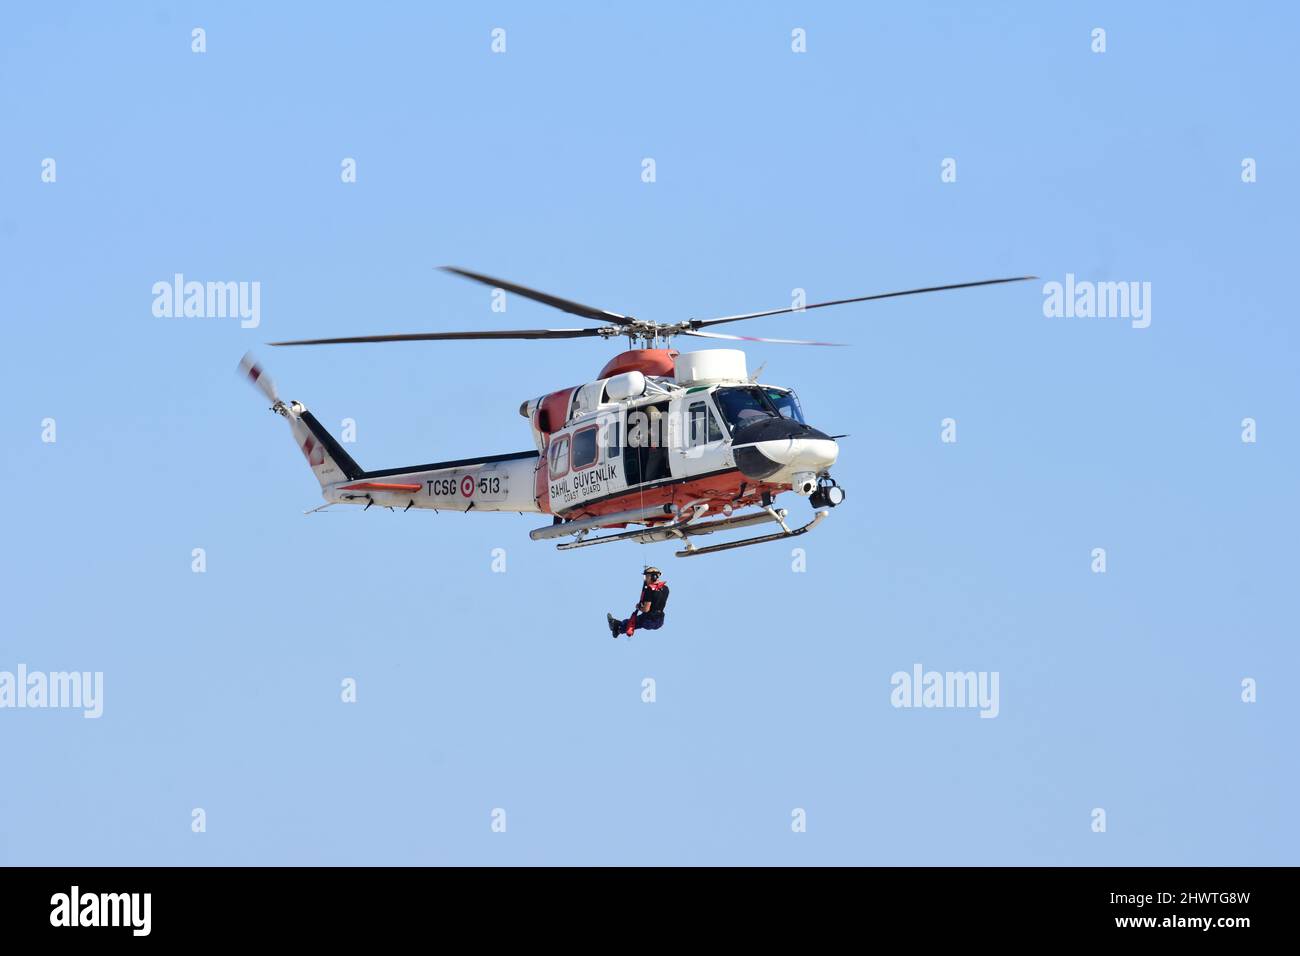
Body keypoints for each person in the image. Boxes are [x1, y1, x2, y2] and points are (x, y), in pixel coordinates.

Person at [607, 567, 670, 639]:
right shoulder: (666, 588)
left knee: (633, 621)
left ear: (654, 577)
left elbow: (646, 609)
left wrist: (639, 607)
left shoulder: (649, 590)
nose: (646, 579)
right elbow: (656, 601)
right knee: (635, 621)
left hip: (649, 620)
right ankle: (618, 628)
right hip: (660, 621)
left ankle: (617, 627)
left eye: (647, 576)